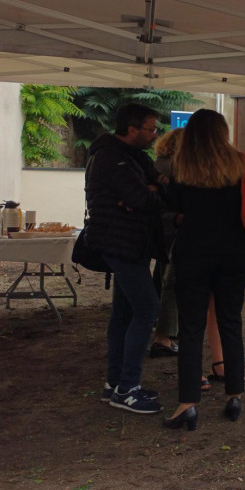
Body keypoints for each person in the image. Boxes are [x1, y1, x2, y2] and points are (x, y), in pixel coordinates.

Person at [162, 110, 245, 431]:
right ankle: (235, 395)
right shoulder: (241, 162)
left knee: (190, 327)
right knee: (231, 322)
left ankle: (187, 404)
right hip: (233, 253)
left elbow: (173, 207)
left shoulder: (182, 167)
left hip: (193, 253)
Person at [87, 103, 166, 415]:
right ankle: (127, 389)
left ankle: (115, 383)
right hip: (120, 245)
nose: (154, 135)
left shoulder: (135, 156)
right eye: (150, 129)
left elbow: (156, 184)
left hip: (133, 243)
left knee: (123, 313)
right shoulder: (109, 157)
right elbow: (144, 199)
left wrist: (151, 187)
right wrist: (147, 191)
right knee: (147, 310)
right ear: (131, 129)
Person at [150, 127, 183, 358]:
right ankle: (165, 337)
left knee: (165, 279)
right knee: (172, 282)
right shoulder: (173, 167)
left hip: (161, 228)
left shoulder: (159, 163)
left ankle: (165, 333)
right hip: (173, 227)